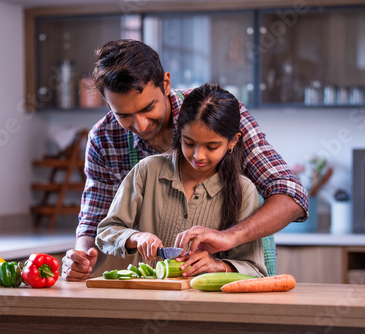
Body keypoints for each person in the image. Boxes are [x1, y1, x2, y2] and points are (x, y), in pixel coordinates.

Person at [62, 39, 308, 281]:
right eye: (124, 115)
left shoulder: (216, 112)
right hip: (159, 286)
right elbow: (95, 218)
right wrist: (81, 257)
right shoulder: (104, 138)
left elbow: (291, 195)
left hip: (234, 273)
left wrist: (229, 238)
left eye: (148, 108)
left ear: (166, 83)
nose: (141, 125)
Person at [95, 83, 267, 277]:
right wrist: (135, 237)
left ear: (233, 141)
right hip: (145, 300)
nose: (198, 156)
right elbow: (106, 233)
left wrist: (218, 265)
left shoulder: (244, 190)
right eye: (189, 143)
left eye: (211, 146)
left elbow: (255, 270)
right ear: (179, 132)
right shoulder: (146, 171)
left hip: (211, 305)